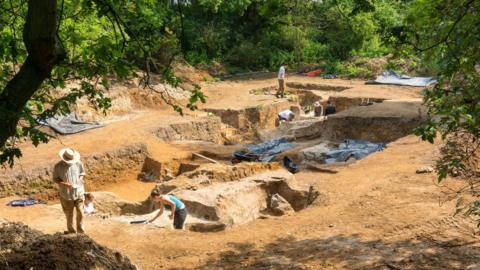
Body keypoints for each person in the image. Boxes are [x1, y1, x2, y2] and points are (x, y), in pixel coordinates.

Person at [53, 148, 86, 234]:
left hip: (79, 192)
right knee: (69, 214)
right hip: (66, 194)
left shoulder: (78, 163)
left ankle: (81, 232)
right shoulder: (58, 167)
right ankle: (71, 232)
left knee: (81, 212)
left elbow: (82, 173)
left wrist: (80, 179)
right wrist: (64, 184)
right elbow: (56, 179)